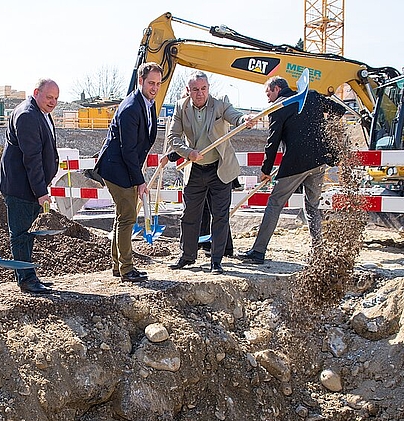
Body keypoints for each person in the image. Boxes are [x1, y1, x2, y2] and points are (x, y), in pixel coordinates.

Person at [237, 76, 346, 264]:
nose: (268, 98)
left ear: (277, 88)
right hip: (319, 162)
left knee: (275, 203)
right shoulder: (312, 96)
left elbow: (273, 142)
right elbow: (339, 110)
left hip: (295, 164)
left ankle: (258, 252)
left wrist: (265, 169)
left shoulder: (278, 107)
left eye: (268, 93)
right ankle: (318, 251)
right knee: (312, 206)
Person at [168, 71, 250, 275]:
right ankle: (187, 256)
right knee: (189, 215)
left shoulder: (220, 103)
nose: (200, 93)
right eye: (195, 89)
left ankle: (216, 261)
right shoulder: (181, 107)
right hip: (195, 170)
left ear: (208, 89)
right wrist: (188, 152)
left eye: (203, 89)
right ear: (188, 90)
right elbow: (172, 137)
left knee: (220, 216)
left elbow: (235, 116)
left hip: (219, 170)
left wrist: (244, 120)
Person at [94, 62, 163, 283]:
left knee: (122, 216)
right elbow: (128, 149)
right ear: (140, 81)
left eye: (158, 84)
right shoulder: (131, 108)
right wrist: (139, 180)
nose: (154, 88)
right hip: (117, 168)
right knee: (128, 218)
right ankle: (126, 268)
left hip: (125, 166)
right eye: (151, 83)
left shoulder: (149, 104)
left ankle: (118, 265)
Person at [0, 79, 60, 294]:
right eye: (49, 97)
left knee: (27, 234)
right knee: (21, 234)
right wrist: (41, 192)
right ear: (36, 92)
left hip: (30, 186)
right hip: (21, 187)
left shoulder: (39, 112)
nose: (53, 102)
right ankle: (26, 279)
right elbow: (31, 158)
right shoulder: (27, 115)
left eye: (56, 99)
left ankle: (29, 274)